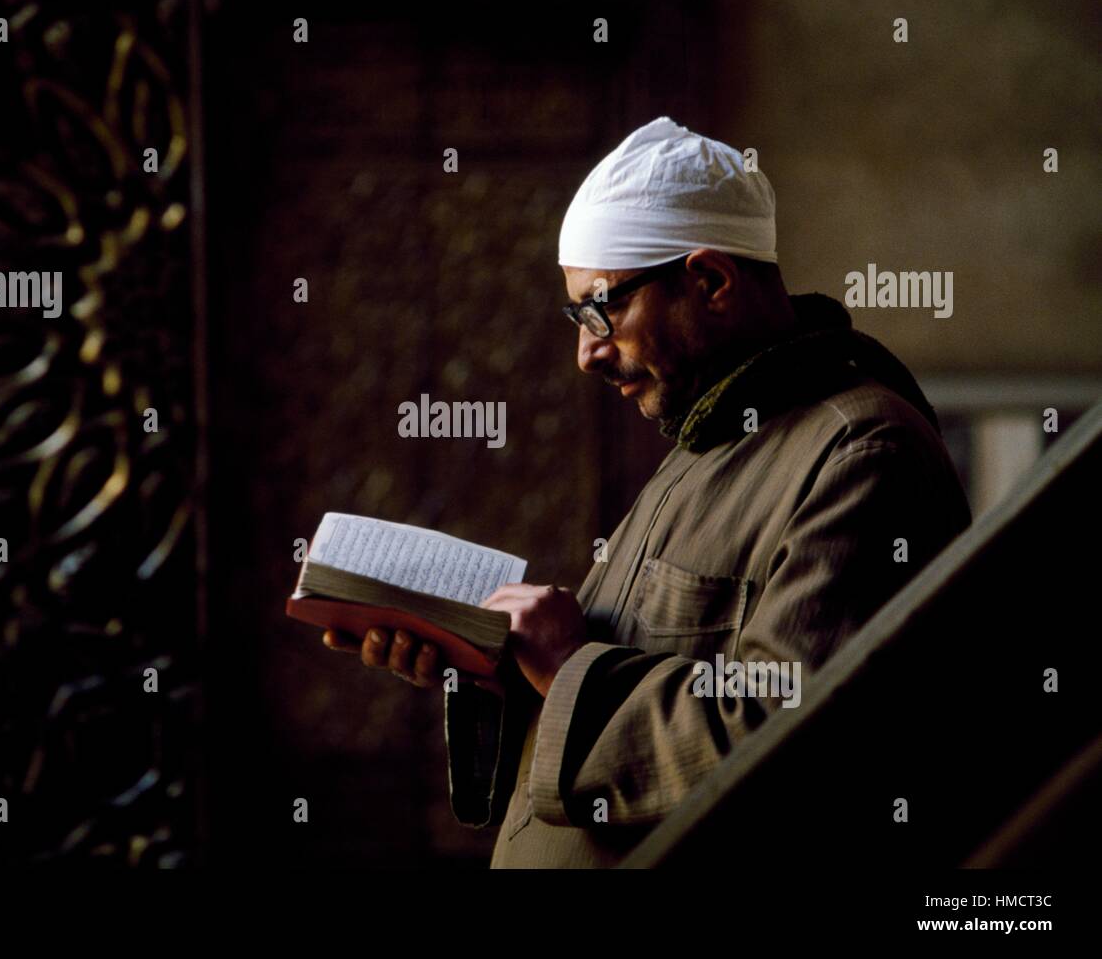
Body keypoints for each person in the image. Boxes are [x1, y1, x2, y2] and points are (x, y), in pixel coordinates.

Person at [323, 116, 971, 867]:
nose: (585, 353)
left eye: (601, 310)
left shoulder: (861, 452)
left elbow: (793, 741)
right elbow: (619, 683)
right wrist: (494, 668)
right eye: (576, 316)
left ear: (711, 280)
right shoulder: (710, 440)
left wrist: (566, 665)